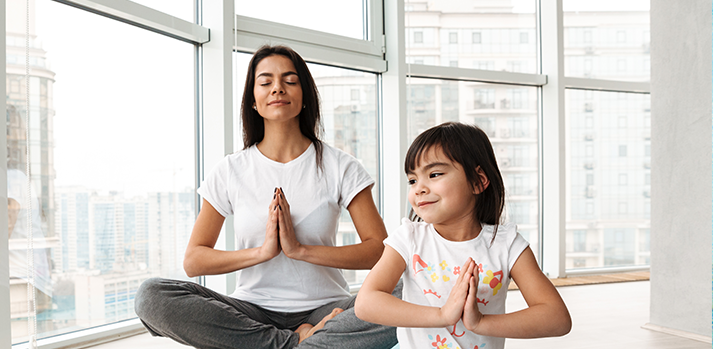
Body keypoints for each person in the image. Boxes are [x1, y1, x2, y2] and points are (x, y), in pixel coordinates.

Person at [135, 45, 401, 349]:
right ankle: (294, 342)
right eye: (265, 82)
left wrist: (300, 250)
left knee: (413, 288)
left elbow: (378, 250)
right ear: (253, 100)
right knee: (152, 296)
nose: (277, 88)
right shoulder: (231, 169)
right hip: (252, 313)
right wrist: (262, 252)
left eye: (290, 81)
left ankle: (293, 341)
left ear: (304, 96)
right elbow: (194, 260)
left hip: (328, 309)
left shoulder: (340, 165)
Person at [355, 122, 571, 349]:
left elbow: (557, 319)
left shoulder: (506, 244)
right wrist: (442, 315)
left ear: (478, 181)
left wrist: (479, 322)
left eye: (434, 174)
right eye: (412, 180)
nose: (418, 188)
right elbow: (366, 303)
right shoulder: (409, 238)